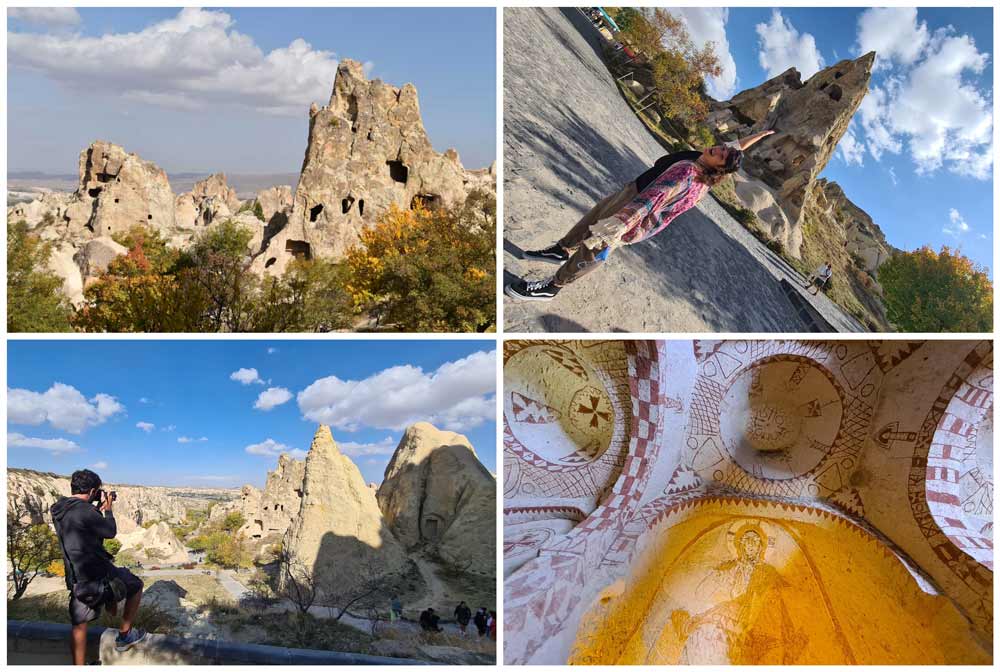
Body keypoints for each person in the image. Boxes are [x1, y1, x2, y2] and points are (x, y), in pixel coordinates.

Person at [506, 130, 776, 301]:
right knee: (591, 220)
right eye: (721, 147)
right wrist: (760, 135)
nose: (718, 148)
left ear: (721, 167)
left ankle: (552, 287)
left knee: (595, 244)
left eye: (722, 153)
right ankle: (560, 250)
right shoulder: (701, 167)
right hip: (633, 191)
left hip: (633, 209)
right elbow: (736, 146)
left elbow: (654, 201)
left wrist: (620, 225)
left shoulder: (689, 173)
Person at [51, 469, 146, 664]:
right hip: (96, 576)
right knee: (135, 585)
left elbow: (82, 527)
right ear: (93, 490)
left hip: (76, 578)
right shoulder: (85, 511)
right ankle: (125, 635)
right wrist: (108, 509)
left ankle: (78, 665)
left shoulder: (59, 509)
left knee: (79, 625)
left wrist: (97, 507)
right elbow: (110, 532)